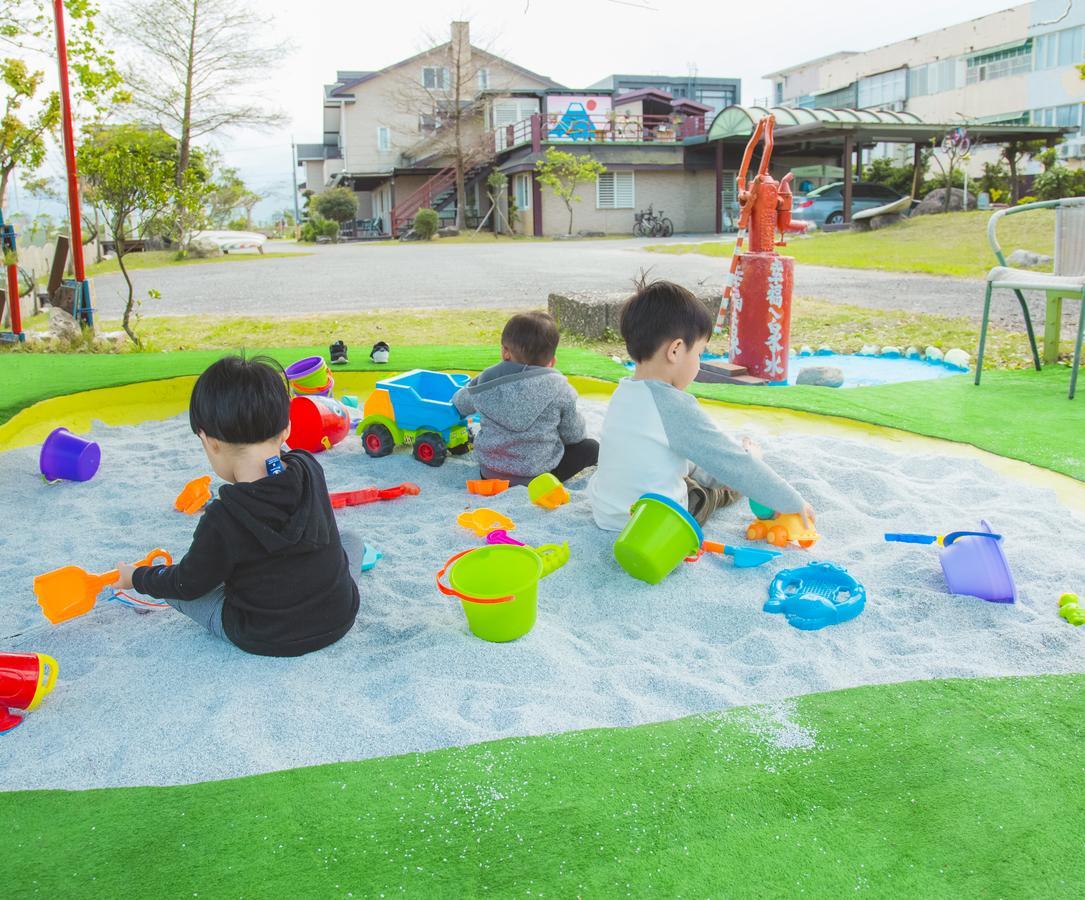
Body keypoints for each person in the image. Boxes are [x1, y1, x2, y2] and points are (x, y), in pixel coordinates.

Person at [114, 355, 359, 656]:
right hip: (338, 616)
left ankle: (143, 587)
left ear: (210, 442)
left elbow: (188, 584)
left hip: (265, 634)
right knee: (351, 541)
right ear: (286, 431)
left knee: (178, 588)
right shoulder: (310, 468)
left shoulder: (223, 518)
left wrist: (135, 576)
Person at [588, 280, 814, 531]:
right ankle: (750, 459)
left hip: (607, 514)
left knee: (695, 466)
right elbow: (734, 464)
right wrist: (792, 501)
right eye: (699, 354)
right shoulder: (672, 404)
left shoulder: (623, 392)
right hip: (652, 529)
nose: (698, 363)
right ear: (675, 350)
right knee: (718, 488)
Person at [453, 311, 598, 486]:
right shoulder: (561, 390)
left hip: (490, 472)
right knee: (591, 447)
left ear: (505, 352)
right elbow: (574, 435)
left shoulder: (486, 382)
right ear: (552, 361)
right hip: (539, 477)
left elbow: (459, 404)